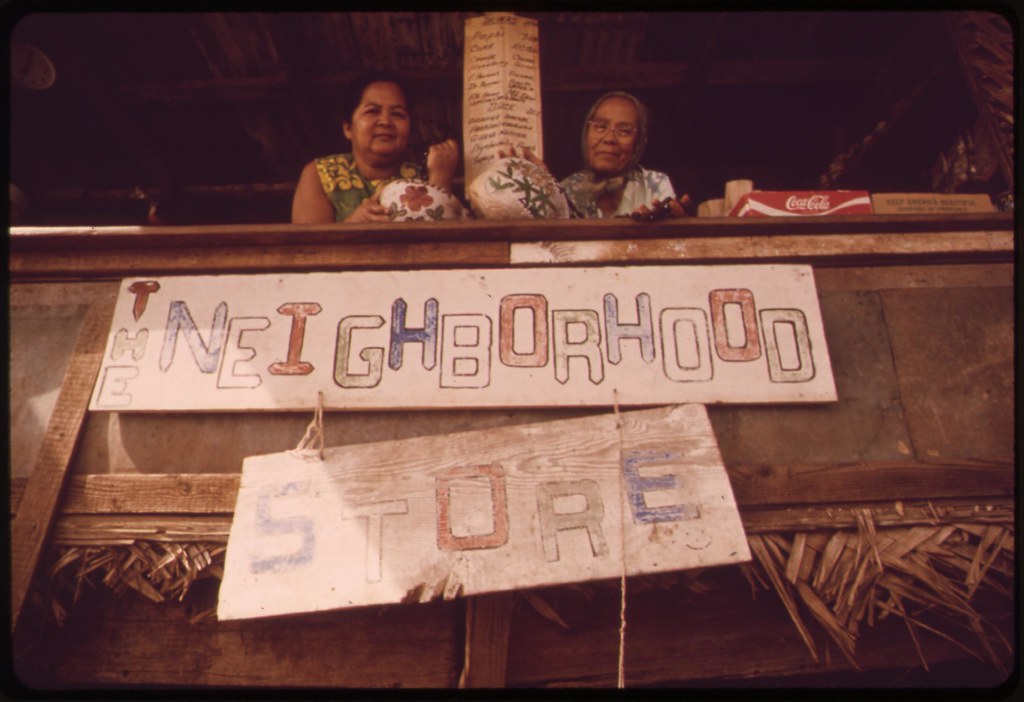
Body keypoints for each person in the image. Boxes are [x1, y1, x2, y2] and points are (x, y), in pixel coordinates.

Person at [291, 74, 459, 224]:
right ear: (348, 128)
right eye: (372, 111)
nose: (385, 121)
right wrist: (351, 227)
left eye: (398, 114)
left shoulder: (425, 178)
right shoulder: (321, 175)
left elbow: (438, 246)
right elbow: (307, 251)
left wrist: (440, 181)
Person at [559, 91, 686, 219]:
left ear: (639, 143)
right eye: (600, 127)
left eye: (624, 132)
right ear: (586, 134)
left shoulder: (654, 185)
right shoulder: (564, 192)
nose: (609, 139)